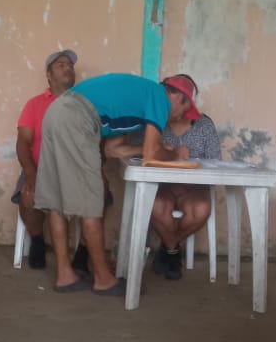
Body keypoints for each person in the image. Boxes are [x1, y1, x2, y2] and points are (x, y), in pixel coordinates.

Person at [35, 73, 193, 295]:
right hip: (78, 118)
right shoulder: (160, 97)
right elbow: (152, 155)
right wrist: (174, 154)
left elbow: (113, 150)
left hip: (57, 112)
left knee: (57, 199)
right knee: (92, 202)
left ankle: (65, 275)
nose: (180, 117)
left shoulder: (139, 98)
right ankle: (103, 279)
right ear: (178, 97)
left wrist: (152, 149)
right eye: (184, 109)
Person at [150, 74, 221, 280]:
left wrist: (191, 166)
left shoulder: (204, 125)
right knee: (155, 206)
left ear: (186, 102)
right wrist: (165, 152)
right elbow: (139, 154)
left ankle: (168, 248)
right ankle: (173, 253)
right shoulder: (155, 122)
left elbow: (215, 162)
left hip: (194, 189)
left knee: (201, 210)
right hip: (162, 187)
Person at [12, 49, 78, 270]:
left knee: (101, 197)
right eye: (61, 65)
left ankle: (84, 252)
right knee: (28, 195)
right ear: (49, 75)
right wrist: (31, 174)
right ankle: (37, 240)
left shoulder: (83, 104)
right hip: (39, 168)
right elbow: (23, 141)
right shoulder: (35, 104)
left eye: (70, 65)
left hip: (75, 171)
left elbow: (97, 141)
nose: (68, 68)